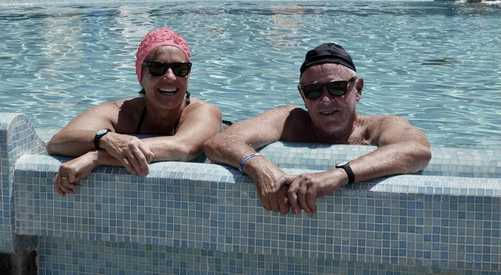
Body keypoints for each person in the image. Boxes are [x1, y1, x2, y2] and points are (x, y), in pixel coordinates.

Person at [204, 43, 431, 215]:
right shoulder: (291, 120)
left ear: (358, 89)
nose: (325, 100)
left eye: (337, 88)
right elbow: (219, 142)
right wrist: (260, 168)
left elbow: (417, 150)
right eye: (313, 92)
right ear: (302, 96)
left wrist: (339, 175)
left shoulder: (378, 127)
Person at [47, 27, 221, 196]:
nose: (170, 76)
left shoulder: (204, 111)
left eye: (180, 69)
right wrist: (105, 138)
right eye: (157, 68)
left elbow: (183, 148)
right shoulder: (120, 112)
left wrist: (97, 157)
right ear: (140, 75)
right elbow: (57, 142)